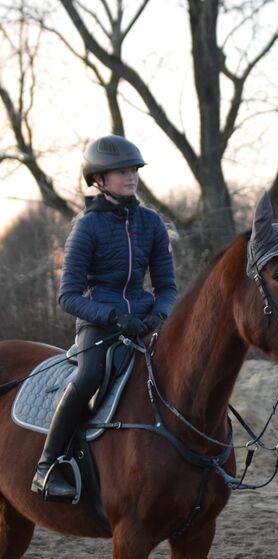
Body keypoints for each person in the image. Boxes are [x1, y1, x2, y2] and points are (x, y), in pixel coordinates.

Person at [31, 134, 177, 501]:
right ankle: (46, 466)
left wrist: (158, 315)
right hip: (99, 324)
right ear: (99, 179)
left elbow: (168, 288)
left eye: (133, 170)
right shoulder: (87, 226)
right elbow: (68, 296)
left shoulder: (152, 223)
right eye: (120, 172)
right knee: (89, 376)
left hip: (145, 323)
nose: (130, 177)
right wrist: (114, 317)